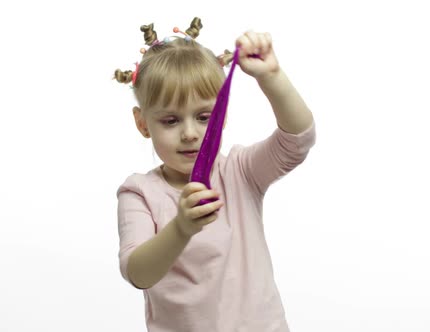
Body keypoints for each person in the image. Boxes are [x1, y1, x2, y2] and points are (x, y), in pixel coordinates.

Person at [114, 17, 316, 332]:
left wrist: (272, 77)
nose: (190, 133)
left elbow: (298, 139)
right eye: (170, 120)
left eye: (204, 116)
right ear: (143, 124)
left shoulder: (240, 171)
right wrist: (180, 228)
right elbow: (137, 272)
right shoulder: (139, 193)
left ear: (222, 115)